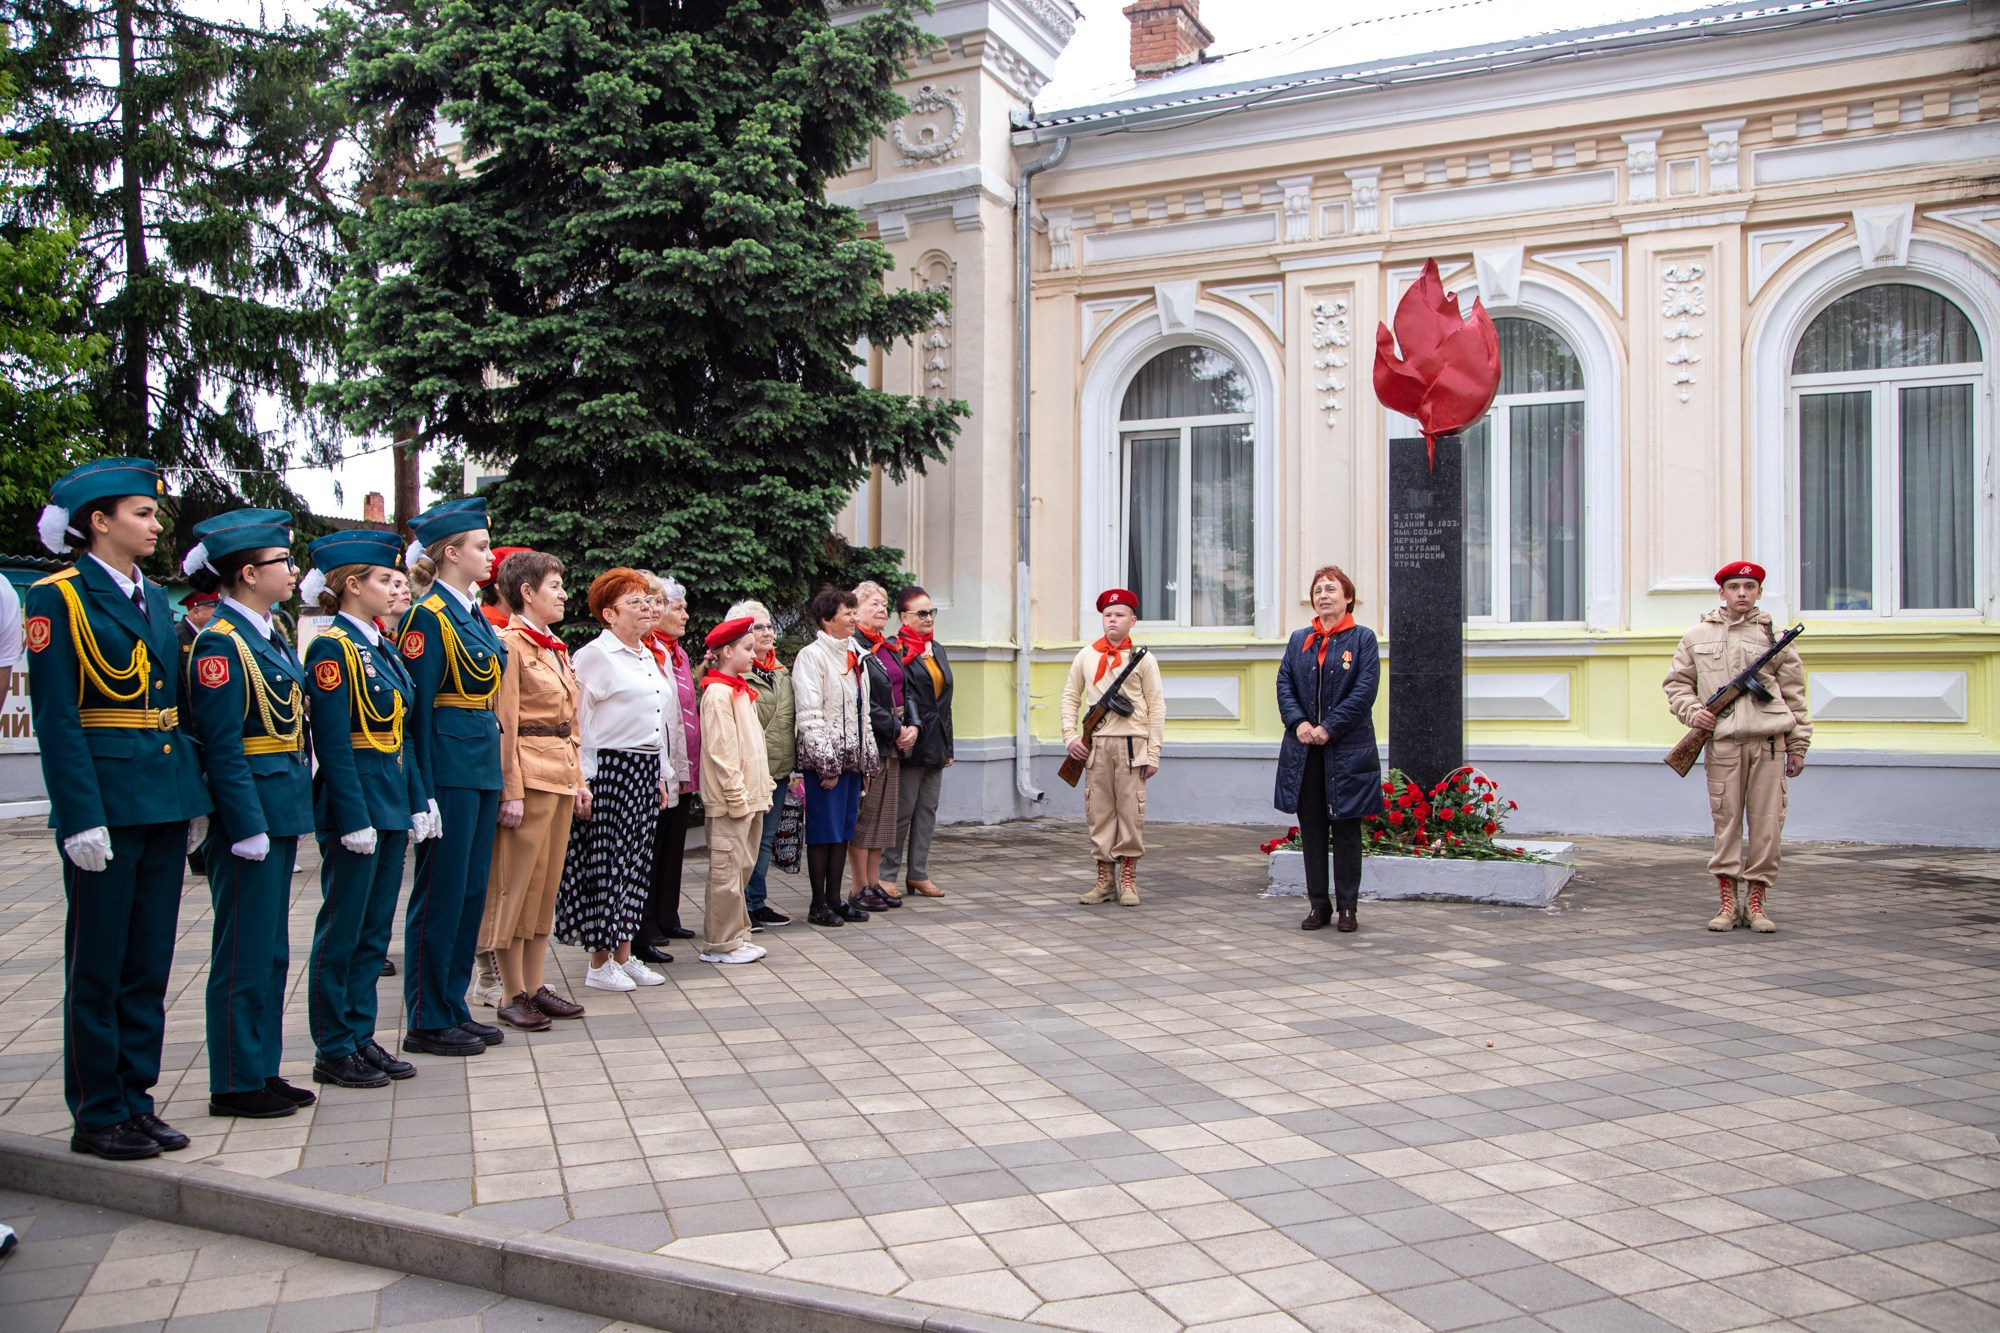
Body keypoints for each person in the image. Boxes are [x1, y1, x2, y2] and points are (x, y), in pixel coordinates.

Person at [27, 458, 213, 1160]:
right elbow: (58, 717)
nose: (155, 522)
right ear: (98, 522)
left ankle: (136, 1098)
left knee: (149, 962)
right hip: (106, 804)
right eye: (141, 511)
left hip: (162, 798)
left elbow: (175, 708)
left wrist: (191, 795)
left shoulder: (153, 597)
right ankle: (98, 1108)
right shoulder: (61, 598)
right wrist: (79, 815)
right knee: (98, 964)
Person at [181, 510, 317, 1118]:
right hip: (252, 813)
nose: (291, 572)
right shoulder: (220, 642)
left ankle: (260, 1067)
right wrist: (245, 824)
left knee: (271, 951)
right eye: (281, 563)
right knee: (242, 950)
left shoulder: (268, 632)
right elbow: (221, 743)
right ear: (246, 572)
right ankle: (233, 1080)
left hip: (280, 801)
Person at [300, 530, 430, 1089]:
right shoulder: (332, 648)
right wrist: (353, 816)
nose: (394, 587)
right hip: (356, 804)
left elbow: (402, 733)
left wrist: (418, 798)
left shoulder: (379, 646)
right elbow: (331, 742)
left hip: (391, 798)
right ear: (352, 586)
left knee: (375, 931)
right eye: (383, 579)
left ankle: (360, 1034)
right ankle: (333, 1045)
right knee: (344, 929)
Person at [397, 497, 505, 1057]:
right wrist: (423, 791)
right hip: (447, 768)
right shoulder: (426, 618)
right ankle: (427, 1015)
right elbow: (415, 716)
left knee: (469, 893)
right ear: (451, 552)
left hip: (480, 763)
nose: (490, 556)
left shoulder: (469, 613)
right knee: (440, 894)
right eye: (481, 547)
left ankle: (453, 1005)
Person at [1664, 561, 1811, 934]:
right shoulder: (1696, 636)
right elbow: (1677, 684)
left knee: (1766, 826)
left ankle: (1757, 903)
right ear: (1722, 593)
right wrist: (1694, 712)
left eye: (1749, 586)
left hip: (1770, 745)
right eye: (1734, 587)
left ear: (1759, 592)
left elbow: (1795, 696)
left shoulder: (1775, 638)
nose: (1742, 593)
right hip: (1724, 745)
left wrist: (1799, 746)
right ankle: (1728, 903)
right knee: (1726, 823)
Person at [555, 569, 676, 992]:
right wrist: (582, 778)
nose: (647, 608)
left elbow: (656, 721)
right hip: (608, 768)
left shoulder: (647, 654)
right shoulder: (594, 656)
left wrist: (661, 773)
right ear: (609, 613)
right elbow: (578, 720)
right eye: (635, 603)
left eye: (647, 601)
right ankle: (599, 961)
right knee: (605, 864)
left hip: (644, 768)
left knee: (637, 865)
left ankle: (626, 954)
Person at [482, 550, 587, 1030]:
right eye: (554, 586)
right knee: (515, 888)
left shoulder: (551, 647)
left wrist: (579, 779)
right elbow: (503, 725)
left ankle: (534, 984)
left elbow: (570, 724)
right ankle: (509, 992)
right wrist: (510, 791)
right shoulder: (508, 645)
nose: (564, 594)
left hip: (559, 775)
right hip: (527, 776)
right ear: (526, 592)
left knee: (545, 889)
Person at [1275, 566, 1382, 934]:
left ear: (1347, 597)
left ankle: (1348, 908)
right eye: (1318, 589)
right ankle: (1319, 905)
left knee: (1347, 830)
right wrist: (1300, 724)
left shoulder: (1363, 639)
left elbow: (1364, 692)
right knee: (1314, 831)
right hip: (1305, 751)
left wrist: (1328, 727)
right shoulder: (1299, 640)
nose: (1323, 595)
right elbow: (1285, 684)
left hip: (1347, 751)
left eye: (1331, 589)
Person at [1062, 589, 1165, 906]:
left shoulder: (1144, 659)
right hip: (1097, 748)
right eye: (1108, 615)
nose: (1113, 620)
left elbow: (1156, 706)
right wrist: (1070, 736)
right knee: (1100, 813)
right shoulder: (1085, 656)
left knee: (1131, 813)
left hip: (1133, 746)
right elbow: (1070, 697)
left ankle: (1129, 880)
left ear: (1132, 620)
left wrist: (1154, 751)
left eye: (1119, 615)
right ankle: (1105, 880)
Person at [792, 586, 877, 926]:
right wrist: (826, 765)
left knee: (842, 832)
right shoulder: (811, 656)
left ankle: (835, 899)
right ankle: (817, 904)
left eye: (855, 612)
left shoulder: (856, 655)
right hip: (826, 764)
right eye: (848, 613)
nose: (855, 618)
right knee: (823, 833)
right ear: (827, 620)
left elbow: (863, 712)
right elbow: (810, 714)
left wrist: (866, 759)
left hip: (851, 761)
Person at [696, 617, 772, 965]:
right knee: (726, 873)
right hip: (731, 803)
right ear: (726, 652)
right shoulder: (717, 694)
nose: (754, 654)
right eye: (746, 648)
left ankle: (737, 934)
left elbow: (754, 746)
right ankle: (720, 942)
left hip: (750, 797)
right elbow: (722, 752)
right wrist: (738, 796)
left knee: (741, 868)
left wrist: (764, 788)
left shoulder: (740, 690)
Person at [634, 574, 699, 963]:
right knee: (653, 844)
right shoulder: (649, 650)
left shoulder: (678, 652)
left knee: (673, 840)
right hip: (657, 760)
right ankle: (647, 923)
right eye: (677, 607)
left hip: (682, 757)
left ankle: (666, 913)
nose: (681, 614)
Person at [881, 586, 952, 899]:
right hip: (910, 740)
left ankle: (919, 874)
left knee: (928, 810)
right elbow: (902, 695)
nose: (928, 618)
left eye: (931, 612)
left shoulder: (935, 648)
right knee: (903, 811)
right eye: (921, 613)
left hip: (936, 743)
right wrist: (906, 730)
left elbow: (945, 703)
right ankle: (886, 875)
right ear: (903, 616)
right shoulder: (895, 650)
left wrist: (948, 747)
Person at [851, 582, 913, 911]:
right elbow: (866, 701)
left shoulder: (886, 648)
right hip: (874, 741)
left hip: (894, 740)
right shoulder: (856, 648)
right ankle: (858, 885)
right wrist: (896, 729)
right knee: (866, 817)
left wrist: (912, 726)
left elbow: (905, 688)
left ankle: (874, 883)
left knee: (883, 820)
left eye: (885, 604)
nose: (882, 609)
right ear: (856, 609)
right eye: (874, 604)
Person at [732, 600, 794, 928]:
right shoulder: (737, 674)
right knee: (746, 841)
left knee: (765, 840)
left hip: (779, 768)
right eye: (759, 627)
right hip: (751, 772)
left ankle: (757, 901)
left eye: (769, 625)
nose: (768, 631)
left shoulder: (778, 670)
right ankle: (741, 904)